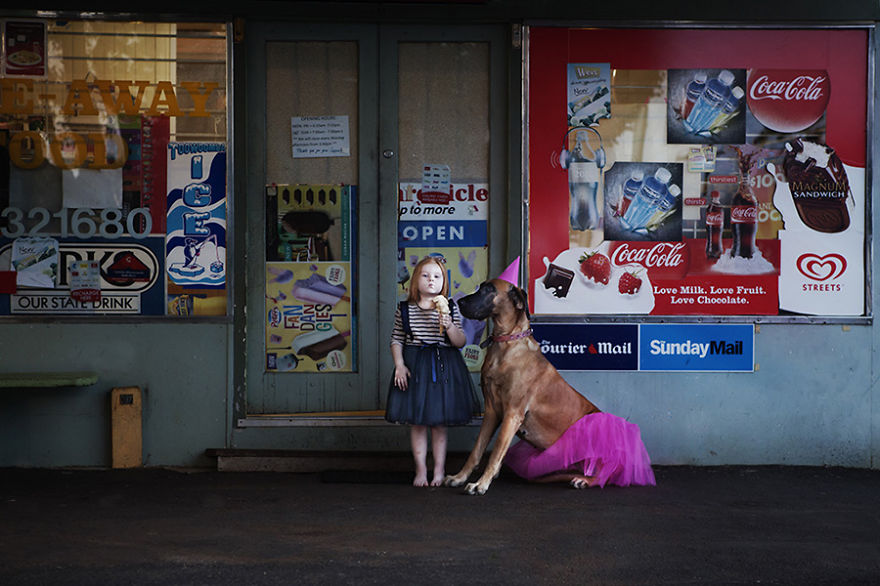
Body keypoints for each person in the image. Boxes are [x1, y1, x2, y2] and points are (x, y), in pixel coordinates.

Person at [386, 255, 480, 487]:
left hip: (443, 366)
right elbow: (397, 338)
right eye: (425, 275)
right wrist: (399, 364)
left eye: (436, 276)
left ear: (443, 282)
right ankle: (420, 470)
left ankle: (438, 471)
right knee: (417, 423)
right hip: (415, 365)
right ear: (415, 280)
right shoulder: (405, 309)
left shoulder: (450, 307)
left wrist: (448, 324)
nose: (431, 280)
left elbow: (460, 342)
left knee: (439, 423)